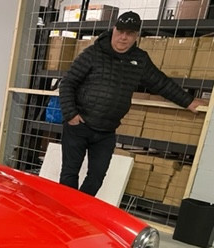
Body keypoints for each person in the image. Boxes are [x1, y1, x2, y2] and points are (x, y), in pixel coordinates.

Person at [58, 11, 205, 196]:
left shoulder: (140, 59)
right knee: (69, 174)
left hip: (106, 132)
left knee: (97, 177)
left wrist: (189, 101)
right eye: (120, 31)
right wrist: (71, 115)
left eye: (130, 33)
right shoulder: (93, 54)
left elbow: (161, 83)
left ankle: (79, 212)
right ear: (113, 29)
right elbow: (68, 83)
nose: (123, 37)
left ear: (136, 36)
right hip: (79, 126)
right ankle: (63, 214)